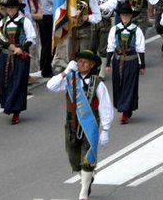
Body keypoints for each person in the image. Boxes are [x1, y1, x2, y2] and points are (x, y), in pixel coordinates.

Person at [46, 51, 114, 200]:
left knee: (87, 158)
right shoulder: (70, 78)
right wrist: (65, 72)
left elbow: (105, 106)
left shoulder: (97, 83)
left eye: (85, 62)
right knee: (73, 158)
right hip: (71, 123)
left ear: (92, 65)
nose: (81, 64)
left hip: (90, 124)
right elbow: (50, 86)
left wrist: (105, 129)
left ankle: (83, 192)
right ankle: (86, 178)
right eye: (80, 61)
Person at [0, 0, 36, 124]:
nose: (10, 10)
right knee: (6, 82)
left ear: (17, 8)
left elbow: (31, 38)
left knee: (18, 83)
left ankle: (16, 111)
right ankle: (8, 104)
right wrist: (9, 46)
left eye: (13, 8)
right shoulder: (2, 22)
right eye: (8, 8)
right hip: (5, 56)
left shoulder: (24, 21)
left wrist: (21, 49)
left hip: (19, 57)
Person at [107, 3, 146, 124]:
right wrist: (108, 64)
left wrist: (142, 65)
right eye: (123, 14)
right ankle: (124, 107)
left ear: (131, 16)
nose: (125, 17)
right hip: (118, 61)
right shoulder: (114, 29)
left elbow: (140, 48)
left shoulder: (136, 30)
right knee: (119, 85)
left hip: (131, 61)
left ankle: (125, 111)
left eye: (127, 15)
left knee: (129, 86)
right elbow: (110, 47)